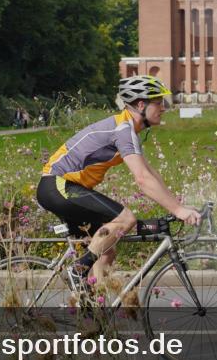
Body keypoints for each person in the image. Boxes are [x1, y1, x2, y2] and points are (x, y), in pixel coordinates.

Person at [37, 75, 201, 289]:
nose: (164, 108)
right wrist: (178, 210)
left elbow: (151, 174)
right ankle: (77, 271)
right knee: (126, 219)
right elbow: (142, 179)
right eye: (159, 102)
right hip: (58, 185)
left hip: (65, 188)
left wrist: (178, 206)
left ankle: (92, 306)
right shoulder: (123, 130)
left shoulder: (127, 129)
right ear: (141, 105)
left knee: (106, 251)